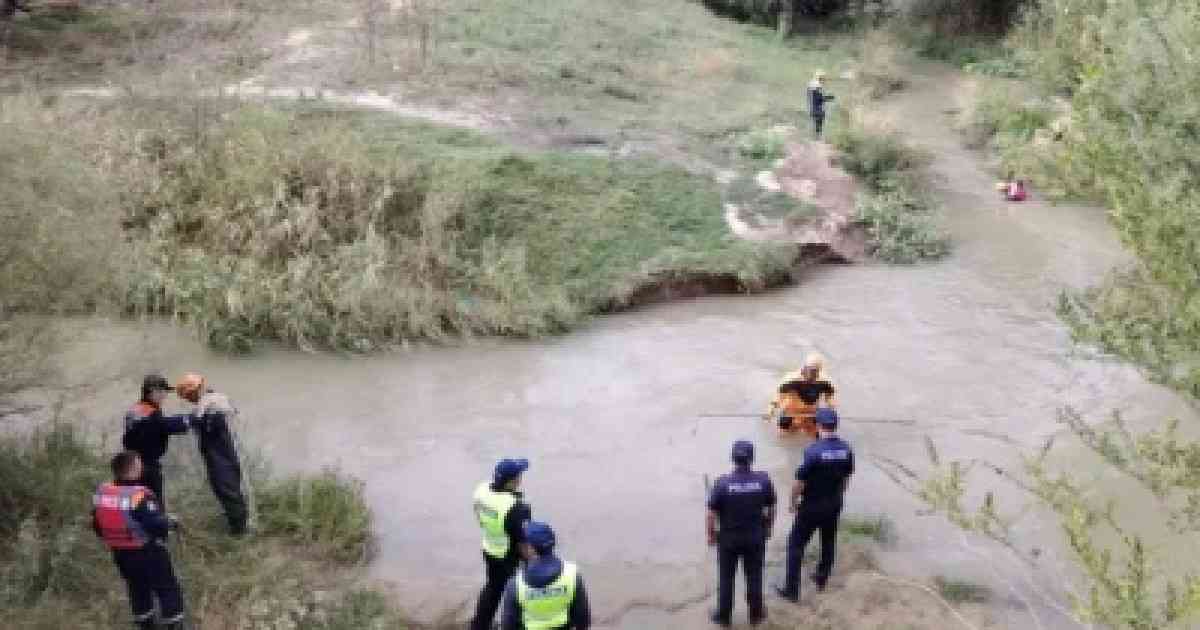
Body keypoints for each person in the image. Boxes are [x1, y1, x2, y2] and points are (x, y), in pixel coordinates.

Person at [93, 451, 186, 630]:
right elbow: (155, 525)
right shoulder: (138, 496)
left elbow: (98, 526)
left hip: (120, 553)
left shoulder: (104, 494)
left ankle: (145, 624)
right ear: (134, 468)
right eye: (139, 464)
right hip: (146, 550)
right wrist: (170, 522)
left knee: (137, 589)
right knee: (166, 588)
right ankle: (174, 625)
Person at [776, 408, 854, 602]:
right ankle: (821, 579)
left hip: (812, 505)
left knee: (795, 545)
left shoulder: (813, 451)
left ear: (818, 426)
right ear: (835, 426)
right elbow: (846, 478)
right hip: (834, 503)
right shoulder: (846, 449)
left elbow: (799, 483)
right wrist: (838, 496)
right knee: (828, 541)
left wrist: (792, 503)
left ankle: (792, 591)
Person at [706, 440, 777, 627]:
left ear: (733, 458)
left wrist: (711, 535)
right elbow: (772, 507)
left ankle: (723, 616)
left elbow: (711, 515)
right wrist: (769, 527)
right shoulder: (763, 480)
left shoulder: (721, 483)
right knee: (754, 576)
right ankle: (756, 616)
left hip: (729, 539)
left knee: (726, 578)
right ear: (752, 458)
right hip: (755, 536)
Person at [176, 373, 249, 536]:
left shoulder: (210, 408)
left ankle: (239, 531)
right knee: (229, 489)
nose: (188, 400)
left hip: (220, 456)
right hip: (226, 452)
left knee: (227, 489)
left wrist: (190, 420)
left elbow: (203, 423)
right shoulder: (216, 400)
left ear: (194, 392)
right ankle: (238, 520)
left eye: (188, 396)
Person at [472, 458, 534, 630]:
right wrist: (533, 563)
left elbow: (478, 514)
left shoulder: (481, 490)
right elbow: (523, 542)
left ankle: (479, 625)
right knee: (517, 593)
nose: (521, 479)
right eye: (519, 475)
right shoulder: (515, 507)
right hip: (507, 555)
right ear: (512, 481)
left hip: (489, 547)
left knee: (492, 589)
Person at [122, 374, 195, 510]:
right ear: (152, 392)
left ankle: (138, 521)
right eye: (162, 392)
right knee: (154, 499)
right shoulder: (151, 414)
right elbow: (167, 426)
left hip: (130, 462)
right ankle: (157, 524)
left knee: (136, 498)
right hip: (146, 465)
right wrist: (192, 419)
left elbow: (160, 424)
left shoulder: (135, 409)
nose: (164, 395)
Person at [500, 521, 591, 630]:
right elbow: (583, 616)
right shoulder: (572, 574)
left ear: (532, 549)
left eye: (524, 544)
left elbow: (508, 623)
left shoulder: (516, 584)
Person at [767, 353, 836, 439]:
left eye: (816, 372)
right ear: (805, 368)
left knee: (817, 438)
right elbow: (779, 396)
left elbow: (829, 396)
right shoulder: (791, 379)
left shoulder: (824, 381)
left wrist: (831, 406)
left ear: (819, 371)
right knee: (783, 438)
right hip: (791, 413)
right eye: (811, 371)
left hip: (811, 414)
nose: (813, 375)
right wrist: (771, 409)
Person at [808, 70, 835, 137]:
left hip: (814, 109)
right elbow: (819, 99)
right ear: (820, 78)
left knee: (816, 127)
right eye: (823, 78)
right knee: (818, 128)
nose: (824, 80)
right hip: (818, 110)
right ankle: (817, 140)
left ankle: (816, 139)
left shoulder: (811, 86)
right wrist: (829, 98)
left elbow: (816, 98)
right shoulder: (816, 87)